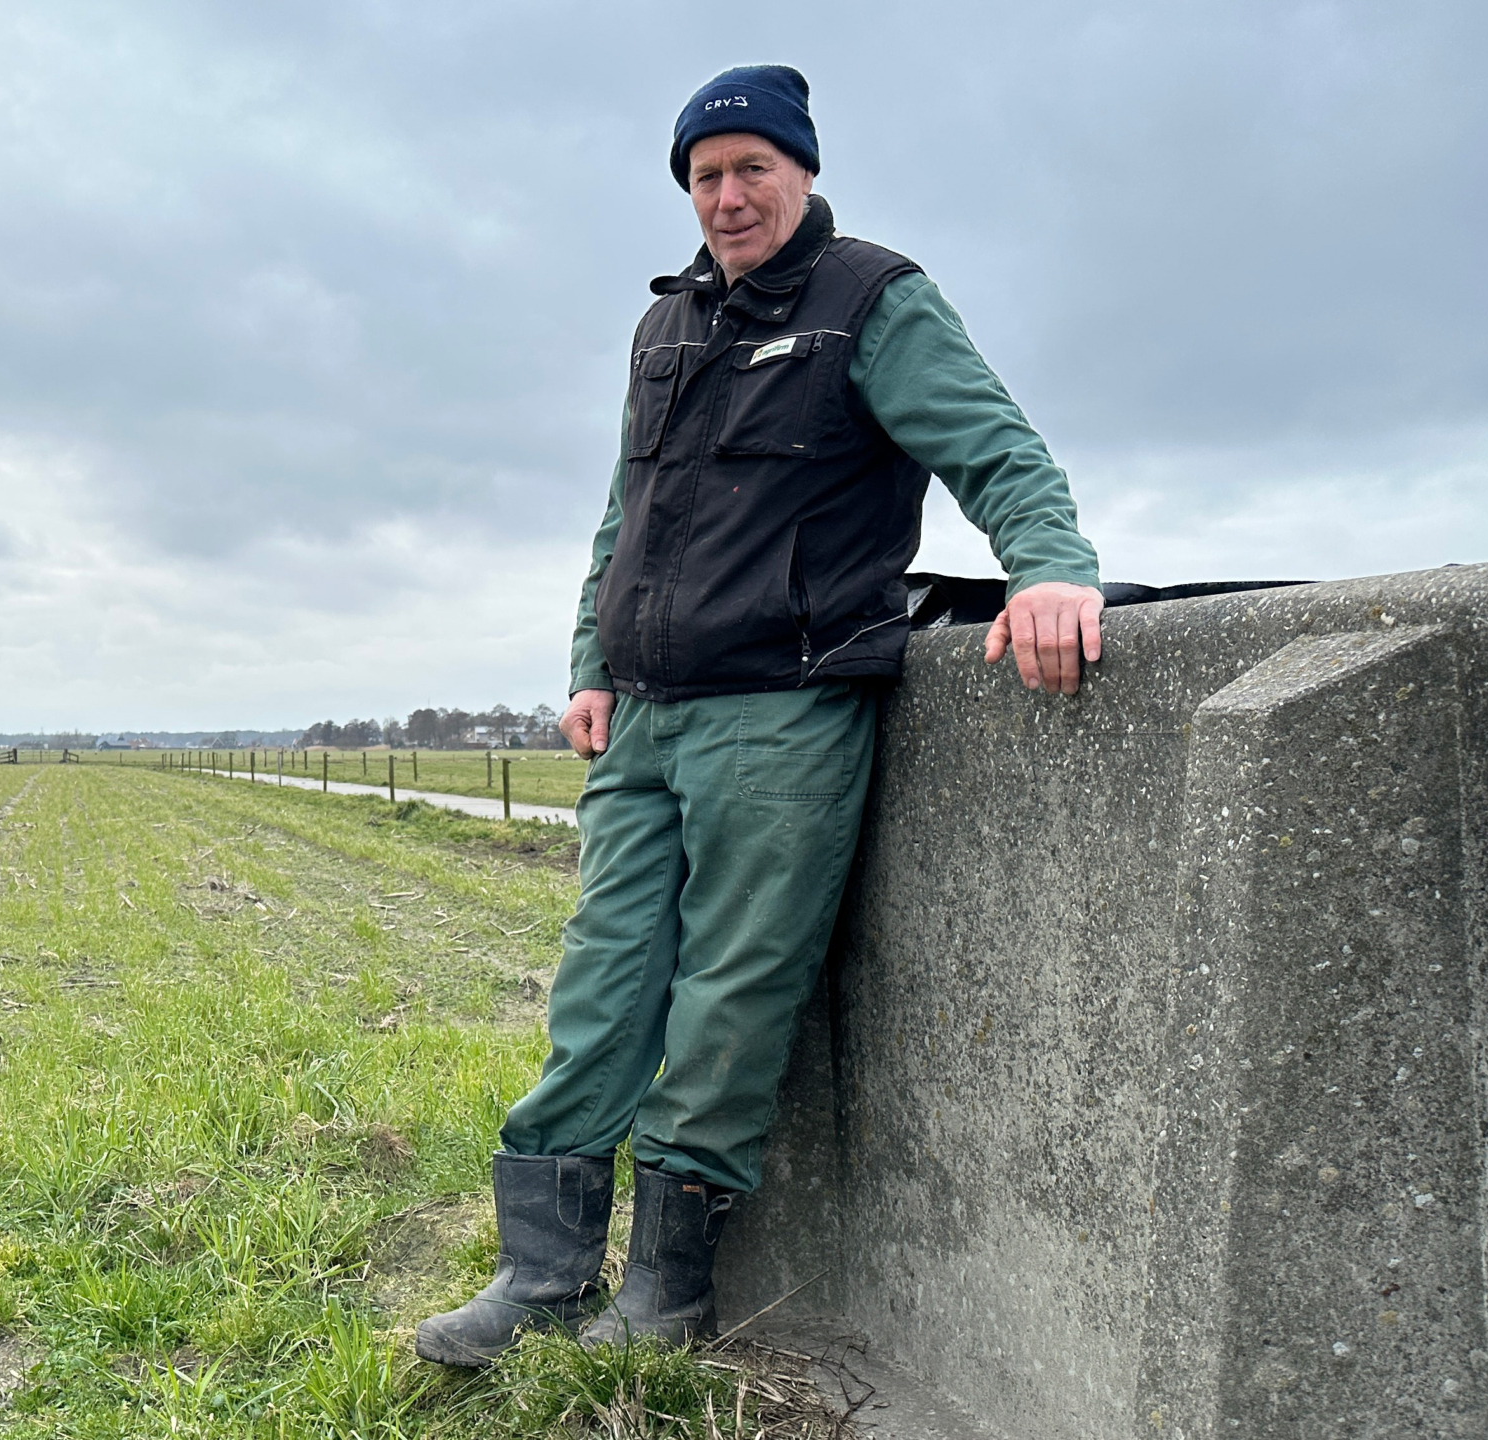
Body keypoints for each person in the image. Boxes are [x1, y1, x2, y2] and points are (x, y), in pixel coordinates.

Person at [416, 64, 1104, 1366]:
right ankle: (542, 1276)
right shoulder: (666, 326)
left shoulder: (873, 302)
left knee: (731, 1000)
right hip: (648, 719)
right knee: (599, 988)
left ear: (799, 170)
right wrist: (588, 660)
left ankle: (664, 1294)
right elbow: (627, 515)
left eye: (751, 170)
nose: (727, 197)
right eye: (704, 174)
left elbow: (994, 445)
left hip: (782, 715)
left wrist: (1051, 564)